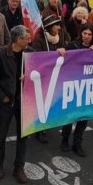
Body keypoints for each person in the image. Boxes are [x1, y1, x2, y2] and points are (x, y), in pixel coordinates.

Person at [0, 25, 33, 183]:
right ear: (19, 39)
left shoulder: (31, 54)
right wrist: (3, 98)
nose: (30, 40)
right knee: (0, 135)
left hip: (25, 102)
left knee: (24, 136)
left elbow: (44, 69)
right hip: (7, 102)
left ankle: (19, 168)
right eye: (27, 37)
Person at [62, 23, 93, 155]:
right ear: (81, 33)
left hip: (87, 88)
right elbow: (63, 61)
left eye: (90, 34)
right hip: (72, 86)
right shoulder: (72, 46)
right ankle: (65, 140)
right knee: (69, 116)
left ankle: (77, 144)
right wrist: (61, 53)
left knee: (83, 118)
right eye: (85, 33)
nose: (87, 37)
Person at [30, 15, 69, 143]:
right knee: (41, 104)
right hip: (42, 77)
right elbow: (38, 58)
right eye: (56, 25)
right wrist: (54, 54)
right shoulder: (39, 40)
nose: (59, 27)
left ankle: (46, 124)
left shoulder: (61, 37)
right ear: (49, 27)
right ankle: (39, 129)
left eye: (59, 25)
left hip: (56, 75)